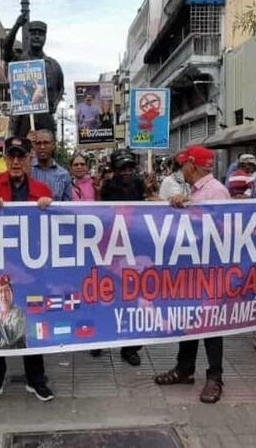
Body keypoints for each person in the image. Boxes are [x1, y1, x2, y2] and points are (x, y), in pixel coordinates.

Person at [0, 136, 56, 405]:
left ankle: (36, 380)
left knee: (31, 322)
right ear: (5, 159)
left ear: (29, 159)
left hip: (32, 269)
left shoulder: (41, 188)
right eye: (11, 156)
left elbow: (55, 229)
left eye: (21, 156)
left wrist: (48, 206)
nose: (16, 161)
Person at [153, 145, 228, 403]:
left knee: (210, 324)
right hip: (193, 269)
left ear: (192, 165)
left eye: (183, 164)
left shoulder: (215, 191)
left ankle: (215, 378)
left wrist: (190, 206)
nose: (180, 168)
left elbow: (217, 229)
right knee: (190, 318)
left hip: (210, 270)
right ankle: (184, 369)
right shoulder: (196, 191)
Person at [93, 148, 146, 365]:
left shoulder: (140, 185)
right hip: (111, 250)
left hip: (135, 250)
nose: (126, 172)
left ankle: (130, 348)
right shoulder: (107, 188)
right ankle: (99, 339)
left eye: (130, 167)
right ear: (114, 170)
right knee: (105, 295)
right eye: (122, 168)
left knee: (132, 297)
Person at [30, 129, 72, 201]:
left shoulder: (63, 175)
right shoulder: (27, 171)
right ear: (34, 146)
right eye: (38, 143)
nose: (42, 147)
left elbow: (67, 205)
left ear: (53, 145)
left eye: (46, 143)